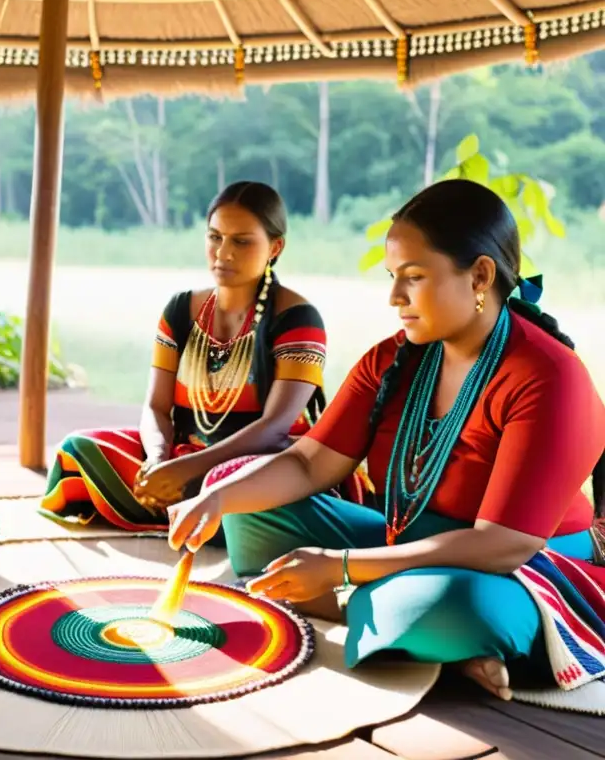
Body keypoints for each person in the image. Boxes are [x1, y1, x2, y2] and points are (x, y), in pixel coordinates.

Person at [167, 179, 605, 701]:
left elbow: (502, 543)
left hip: (522, 567)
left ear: (480, 275)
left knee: (446, 606)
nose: (394, 297)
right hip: (406, 540)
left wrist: (341, 568)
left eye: (414, 277)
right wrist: (215, 499)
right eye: (393, 276)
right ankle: (418, 633)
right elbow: (309, 464)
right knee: (245, 504)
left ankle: (391, 615)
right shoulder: (396, 358)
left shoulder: (549, 375)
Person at [41, 181, 367, 534]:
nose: (223, 252)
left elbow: (274, 429)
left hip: (262, 464)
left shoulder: (298, 319)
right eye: (214, 237)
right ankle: (176, 502)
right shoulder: (181, 310)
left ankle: (194, 508)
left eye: (241, 241)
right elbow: (156, 407)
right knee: (81, 447)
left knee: (226, 483)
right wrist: (157, 462)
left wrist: (185, 471)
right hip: (183, 453)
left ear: (275, 247)